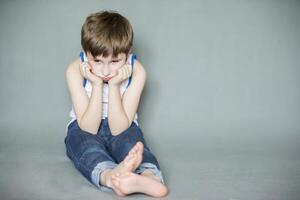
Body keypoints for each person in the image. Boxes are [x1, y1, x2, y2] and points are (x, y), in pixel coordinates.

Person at [63, 10, 168, 197]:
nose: (105, 70)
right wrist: (96, 85)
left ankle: (149, 177)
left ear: (128, 54)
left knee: (132, 145)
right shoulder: (74, 70)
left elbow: (119, 127)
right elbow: (88, 127)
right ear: (86, 53)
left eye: (114, 61)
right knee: (84, 147)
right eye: (96, 60)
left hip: (122, 125)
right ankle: (111, 176)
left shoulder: (138, 72)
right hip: (83, 128)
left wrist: (114, 86)